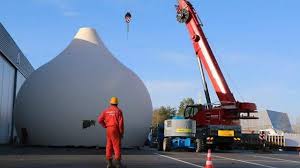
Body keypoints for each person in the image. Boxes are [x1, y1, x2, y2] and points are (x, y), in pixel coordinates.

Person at [98, 97, 124, 168]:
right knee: (116, 146)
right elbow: (121, 124)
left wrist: (105, 126)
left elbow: (99, 120)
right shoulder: (119, 111)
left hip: (108, 129)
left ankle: (109, 164)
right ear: (117, 103)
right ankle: (118, 164)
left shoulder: (106, 111)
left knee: (109, 146)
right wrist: (121, 133)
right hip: (115, 129)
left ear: (110, 103)